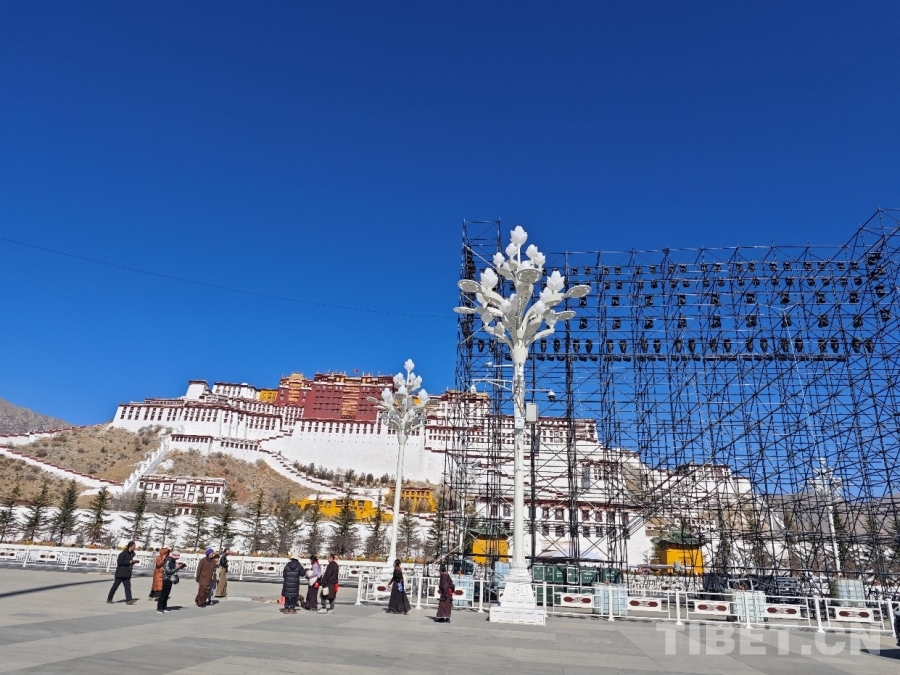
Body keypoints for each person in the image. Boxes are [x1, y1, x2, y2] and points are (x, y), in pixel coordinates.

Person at [107, 541, 139, 605]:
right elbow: (119, 562)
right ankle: (109, 599)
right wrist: (129, 562)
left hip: (127, 573)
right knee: (115, 587)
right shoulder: (123, 553)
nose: (135, 547)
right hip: (120, 574)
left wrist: (133, 562)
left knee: (128, 587)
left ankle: (129, 600)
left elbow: (129, 563)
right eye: (134, 546)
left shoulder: (131, 554)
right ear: (130, 546)